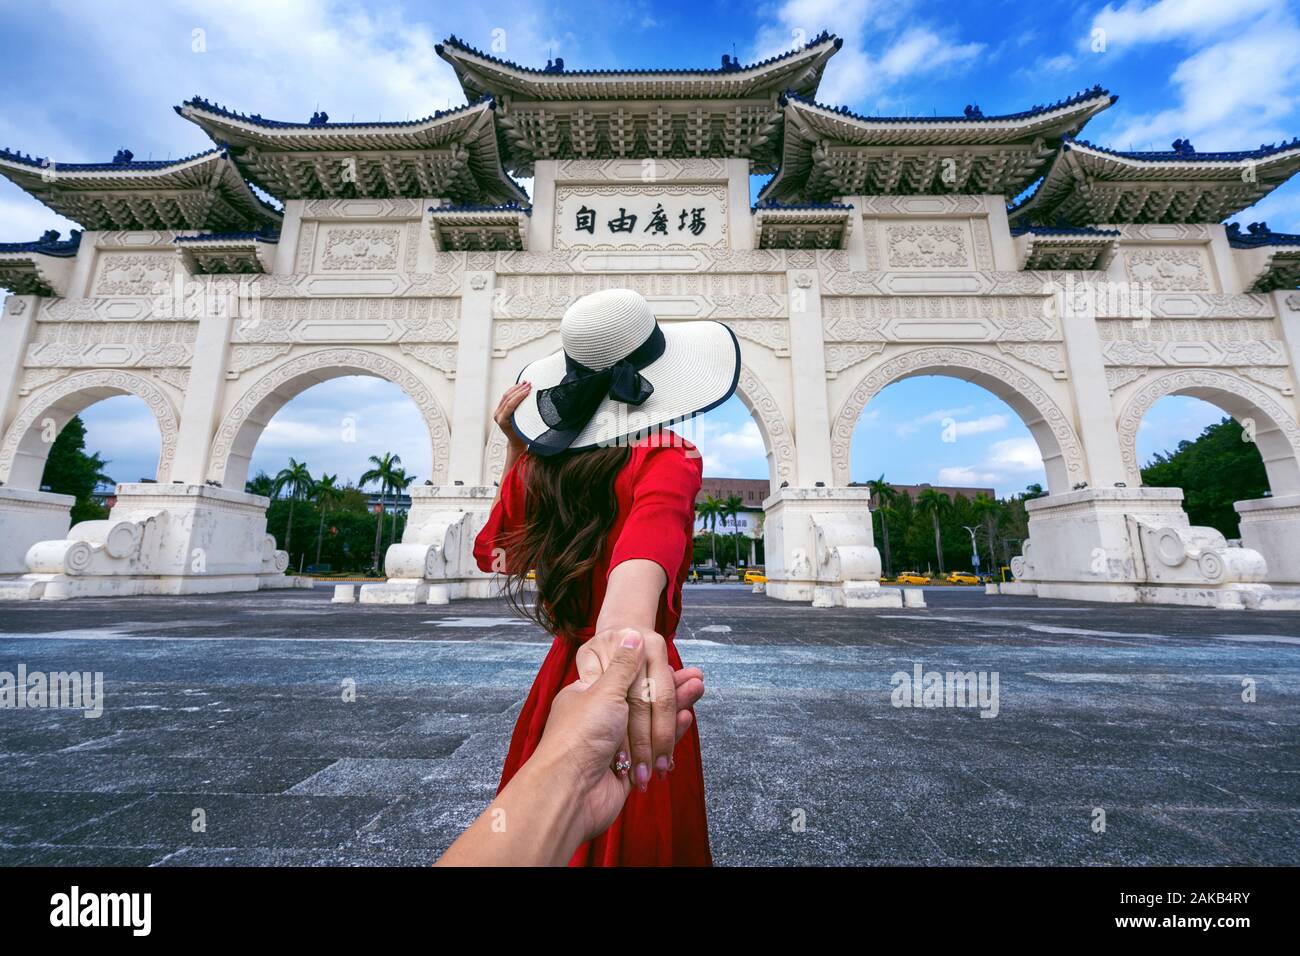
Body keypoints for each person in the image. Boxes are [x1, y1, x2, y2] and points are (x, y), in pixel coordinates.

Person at [473, 287, 740, 866]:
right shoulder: (670, 455)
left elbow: (494, 551)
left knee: (540, 825)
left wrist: (520, 449)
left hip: (565, 679)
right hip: (633, 676)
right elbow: (655, 532)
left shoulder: (545, 470)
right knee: (640, 822)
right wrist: (625, 636)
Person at [436, 627, 705, 866]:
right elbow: (625, 624)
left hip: (576, 683)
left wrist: (568, 771)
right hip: (618, 685)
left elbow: (628, 606)